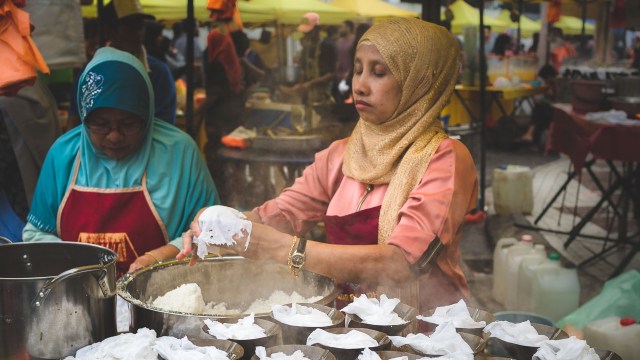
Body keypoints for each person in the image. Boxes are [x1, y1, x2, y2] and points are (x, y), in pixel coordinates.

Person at [178, 17, 479, 313]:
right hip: (353, 323)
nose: (359, 86)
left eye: (379, 72)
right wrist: (222, 223)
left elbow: (402, 263)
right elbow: (282, 214)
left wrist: (282, 249)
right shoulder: (341, 154)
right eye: (358, 69)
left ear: (420, 82)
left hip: (427, 329)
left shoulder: (445, 157)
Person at [23, 47, 219, 277]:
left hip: (162, 296)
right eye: (101, 124)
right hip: (77, 299)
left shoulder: (179, 152)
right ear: (85, 118)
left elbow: (211, 231)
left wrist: (158, 257)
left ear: (146, 116)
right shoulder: (63, 154)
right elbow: (36, 234)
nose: (114, 136)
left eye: (128, 124)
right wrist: (75, 271)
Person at [67, 0, 177, 127]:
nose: (138, 33)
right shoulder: (90, 73)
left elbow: (165, 127)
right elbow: (75, 121)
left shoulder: (158, 73)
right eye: (130, 26)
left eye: (140, 26)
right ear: (109, 31)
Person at [517, 64, 559, 151]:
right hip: (549, 111)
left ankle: (529, 134)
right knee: (539, 111)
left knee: (539, 111)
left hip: (556, 113)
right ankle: (530, 136)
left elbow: (555, 102)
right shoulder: (549, 85)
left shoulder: (557, 86)